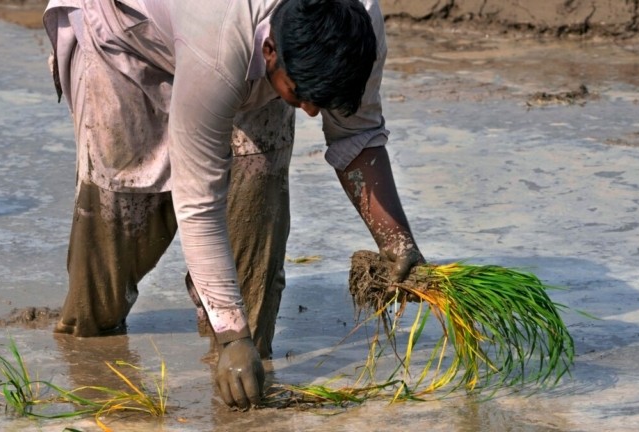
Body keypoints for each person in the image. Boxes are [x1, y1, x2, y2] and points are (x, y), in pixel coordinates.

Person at [42, 0, 424, 410]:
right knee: (110, 263)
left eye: (321, 101)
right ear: (270, 50)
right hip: (128, 40)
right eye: (301, 96)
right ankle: (95, 368)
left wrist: (397, 241)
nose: (312, 112)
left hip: (246, 50)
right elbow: (198, 200)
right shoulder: (220, 38)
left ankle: (240, 381)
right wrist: (232, 334)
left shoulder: (357, 23)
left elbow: (358, 133)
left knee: (256, 213)